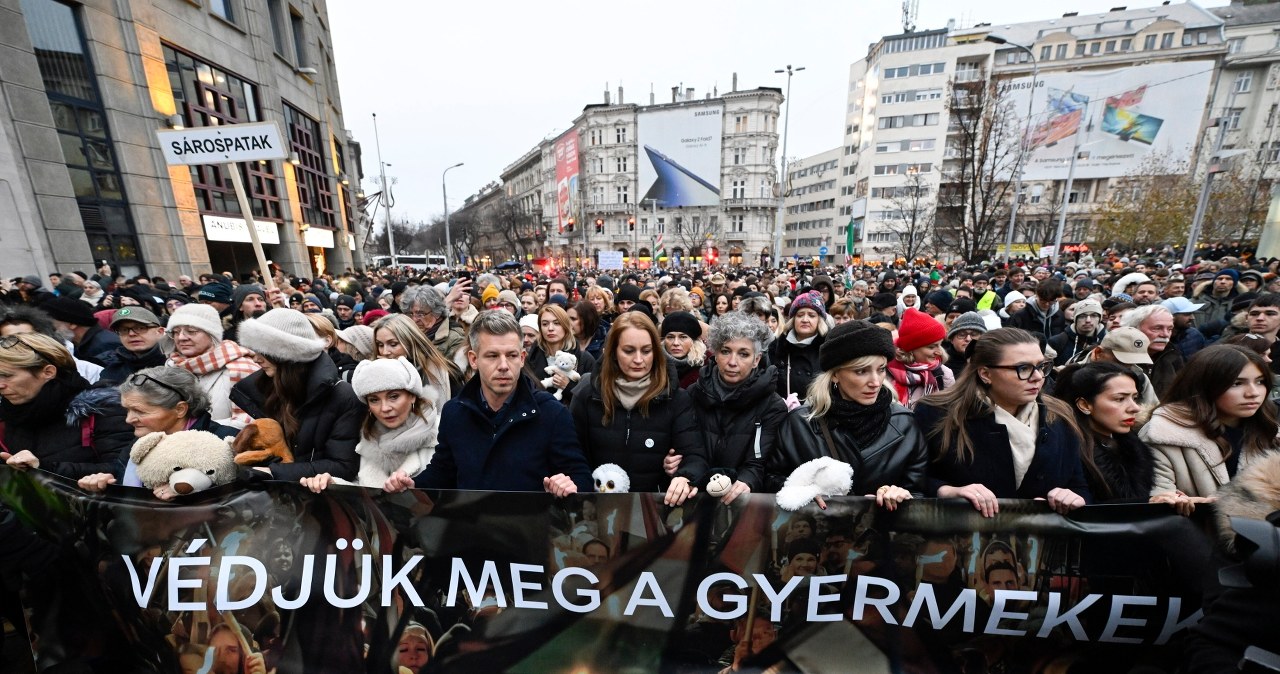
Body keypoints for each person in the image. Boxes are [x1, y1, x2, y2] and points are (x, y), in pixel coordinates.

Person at [385, 310, 592, 495]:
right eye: (492, 356)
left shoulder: (551, 414)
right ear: (473, 360)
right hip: (470, 531)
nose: (503, 366)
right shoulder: (454, 413)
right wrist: (413, 486)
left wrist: (568, 484)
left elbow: (580, 476)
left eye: (511, 355)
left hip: (528, 532)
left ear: (522, 358)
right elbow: (443, 471)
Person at [915, 328, 1091, 517]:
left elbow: (1079, 486)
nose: (1038, 377)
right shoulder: (937, 413)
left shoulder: (1059, 416)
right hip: (967, 539)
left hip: (1041, 542)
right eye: (1023, 368)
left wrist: (1073, 498)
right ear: (985, 374)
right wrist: (947, 491)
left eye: (1041, 366)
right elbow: (914, 480)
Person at [767, 320, 928, 508]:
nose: (876, 382)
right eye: (861, 371)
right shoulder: (800, 423)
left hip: (881, 535)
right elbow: (772, 481)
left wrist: (902, 495)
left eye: (881, 369)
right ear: (835, 374)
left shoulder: (904, 424)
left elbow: (919, 492)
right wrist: (803, 492)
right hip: (816, 533)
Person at [569, 311, 703, 504]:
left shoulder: (675, 398)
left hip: (655, 511)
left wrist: (684, 475)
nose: (639, 360)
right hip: (597, 509)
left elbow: (695, 455)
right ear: (613, 351)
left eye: (646, 351)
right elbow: (573, 454)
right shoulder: (587, 394)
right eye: (629, 351)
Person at [230, 309, 364, 482]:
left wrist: (275, 472)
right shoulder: (266, 388)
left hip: (320, 499)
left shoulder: (343, 396)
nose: (256, 359)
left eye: (263, 351)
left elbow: (343, 466)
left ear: (288, 355)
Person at [1139, 344, 1279, 499]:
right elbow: (1158, 495)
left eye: (1260, 382)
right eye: (1237, 383)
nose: (1253, 393)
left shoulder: (1270, 432)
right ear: (1205, 385)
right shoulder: (1163, 433)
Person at [76, 367, 238, 499]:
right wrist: (106, 484)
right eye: (127, 410)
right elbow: (130, 498)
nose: (129, 419)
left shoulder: (226, 442)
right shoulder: (140, 445)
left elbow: (245, 500)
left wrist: (191, 489)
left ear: (180, 409)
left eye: (140, 411)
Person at [677, 312, 787, 503]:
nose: (732, 362)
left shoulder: (772, 405)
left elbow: (759, 462)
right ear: (716, 353)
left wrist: (747, 481)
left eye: (743, 354)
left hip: (741, 504)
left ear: (756, 360)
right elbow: (685, 447)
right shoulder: (693, 393)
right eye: (726, 351)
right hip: (695, 498)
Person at [1051, 363, 1191, 511]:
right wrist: (1147, 503)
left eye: (1135, 398)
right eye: (1119, 399)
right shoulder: (1065, 450)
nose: (1135, 407)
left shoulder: (1132, 446)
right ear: (1085, 405)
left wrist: (1173, 499)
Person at [0, 333, 134, 480]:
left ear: (48, 372)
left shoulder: (103, 408)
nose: (1, 385)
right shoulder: (7, 415)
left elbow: (123, 470)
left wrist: (45, 469)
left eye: (7, 375)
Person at [300, 357, 440, 492]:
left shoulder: (440, 433)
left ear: (412, 395)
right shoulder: (368, 439)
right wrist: (332, 484)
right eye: (374, 400)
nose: (384, 408)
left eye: (393, 396)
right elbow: (366, 494)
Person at [165, 303, 260, 428]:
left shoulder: (242, 368)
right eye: (176, 332)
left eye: (191, 331)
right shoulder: (171, 367)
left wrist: (191, 428)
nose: (181, 337)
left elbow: (254, 423)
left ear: (212, 335)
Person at [372, 313, 458, 415]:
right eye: (380, 345)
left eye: (393, 344)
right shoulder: (374, 373)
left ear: (410, 341)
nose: (385, 351)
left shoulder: (445, 371)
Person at [525, 304, 596, 405]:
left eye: (556, 323)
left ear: (565, 326)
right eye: (545, 324)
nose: (550, 328)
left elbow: (593, 399)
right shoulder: (529, 360)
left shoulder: (585, 359)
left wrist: (568, 387)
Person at [769, 291, 829, 407]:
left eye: (811, 315)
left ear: (819, 320)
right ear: (793, 319)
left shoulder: (828, 348)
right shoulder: (777, 347)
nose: (805, 320)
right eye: (800, 315)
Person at [888, 308, 953, 408]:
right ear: (911, 348)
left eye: (940, 345)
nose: (939, 352)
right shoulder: (885, 373)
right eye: (932, 347)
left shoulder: (943, 375)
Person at [398, 284, 468, 372]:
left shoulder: (455, 339)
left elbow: (453, 375)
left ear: (437, 313)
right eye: (410, 314)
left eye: (420, 314)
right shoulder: (405, 333)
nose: (414, 319)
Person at [1121, 305, 1182, 400]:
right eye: (1157, 328)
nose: (1165, 334)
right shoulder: (1118, 358)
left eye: (1170, 329)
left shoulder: (1173, 355)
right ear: (1134, 329)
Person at [42, 297, 120, 366]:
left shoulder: (105, 345)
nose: (51, 329)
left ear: (72, 324)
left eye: (52, 324)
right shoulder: (77, 345)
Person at [99, 307, 168, 383]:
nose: (131, 334)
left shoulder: (175, 365)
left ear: (160, 332)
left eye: (140, 328)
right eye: (124, 330)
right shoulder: (111, 372)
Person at [1048, 299, 1103, 367]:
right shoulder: (1057, 341)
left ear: (1100, 319)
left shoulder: (1105, 342)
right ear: (1075, 318)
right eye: (1082, 316)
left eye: (1094, 315)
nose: (1088, 320)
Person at [661, 311, 706, 390]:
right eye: (670, 337)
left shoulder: (707, 367)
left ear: (694, 341)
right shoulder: (654, 363)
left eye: (683, 337)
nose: (676, 343)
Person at [943, 311, 988, 379]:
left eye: (974, 334)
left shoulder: (990, 362)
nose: (968, 339)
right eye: (962, 335)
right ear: (952, 339)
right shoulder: (941, 363)